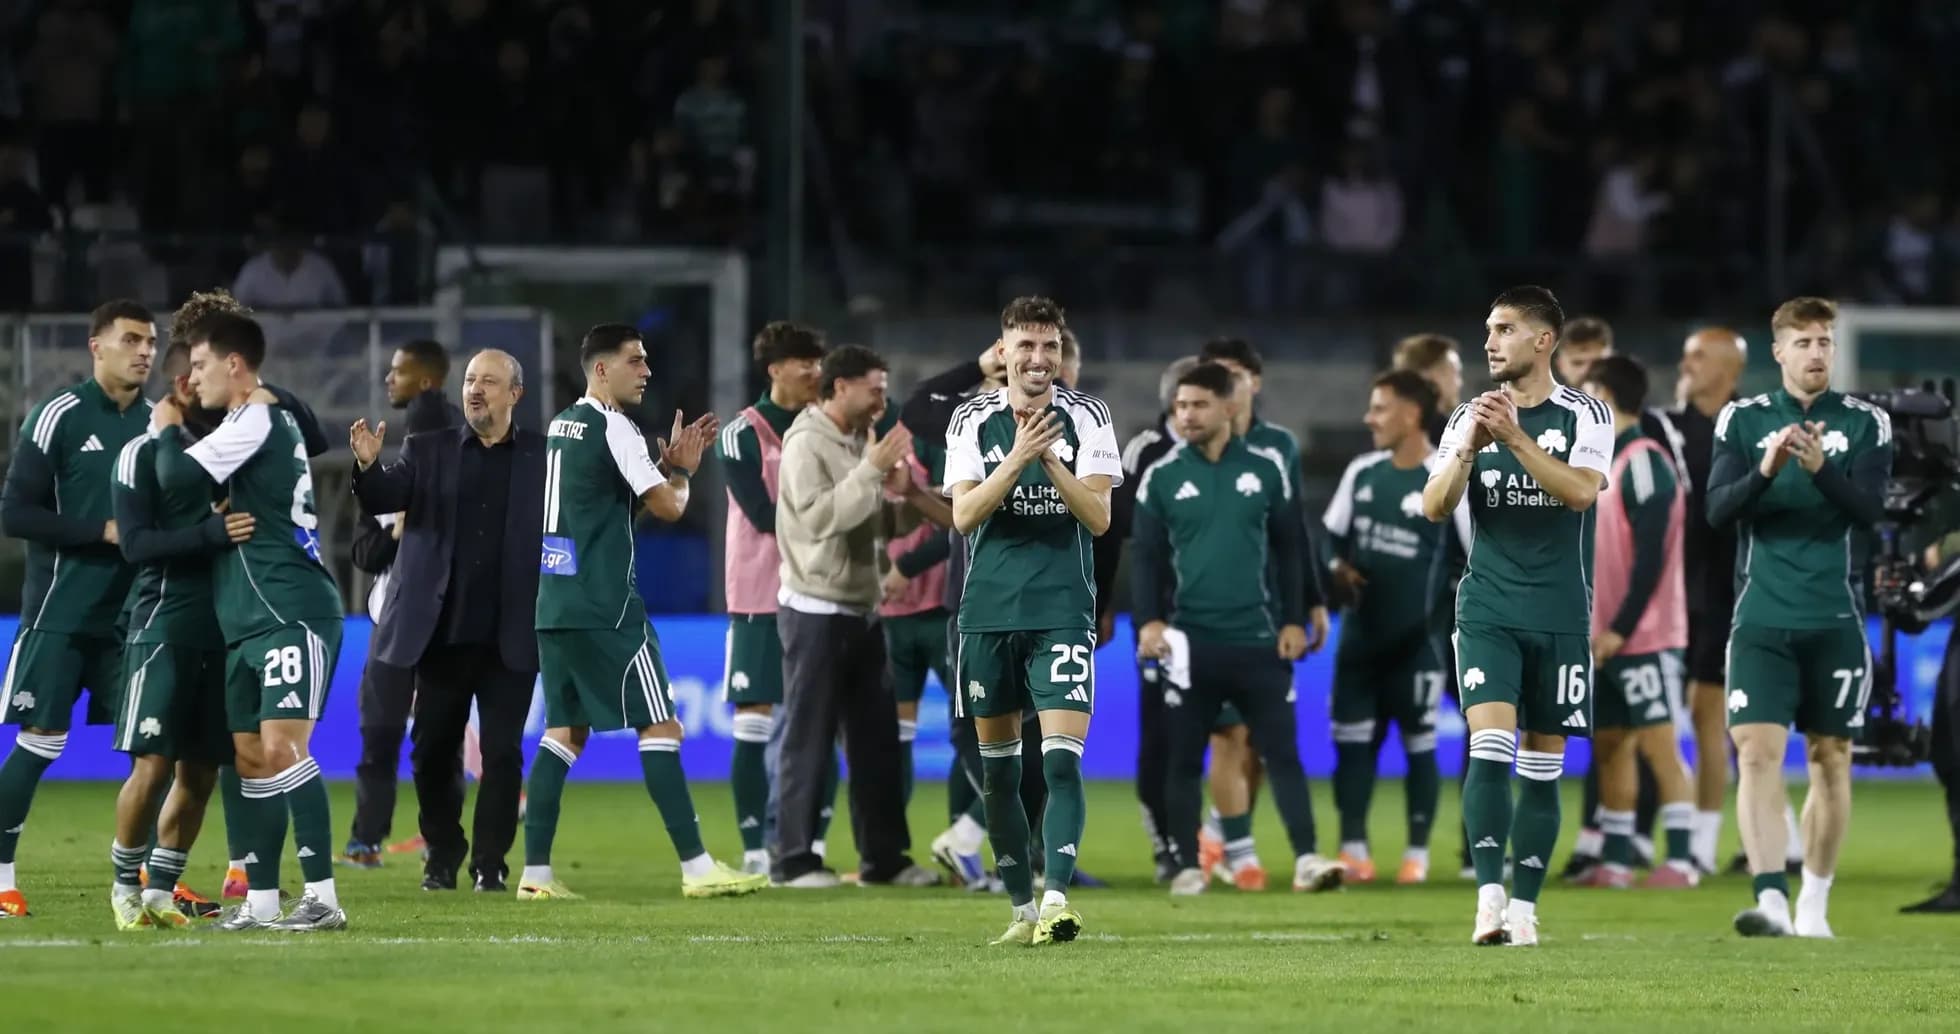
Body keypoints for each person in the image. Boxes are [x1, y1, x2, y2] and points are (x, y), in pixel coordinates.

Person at [515, 323, 762, 901]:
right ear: (601, 369)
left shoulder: (562, 426)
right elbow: (672, 508)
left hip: (555, 602)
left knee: (563, 732)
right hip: (607, 605)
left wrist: (661, 473)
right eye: (636, 360)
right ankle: (698, 869)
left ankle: (536, 875)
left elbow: (607, 512)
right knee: (662, 725)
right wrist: (682, 471)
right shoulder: (614, 426)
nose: (647, 370)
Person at [1422, 285, 1613, 947]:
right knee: (1490, 745)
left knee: (1542, 761)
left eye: (1503, 328)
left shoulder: (1586, 414)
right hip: (1487, 608)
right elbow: (1434, 504)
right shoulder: (1466, 417)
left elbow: (1581, 493)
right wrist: (1474, 443)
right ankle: (1488, 899)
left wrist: (1517, 439)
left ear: (1542, 340)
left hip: (1560, 611)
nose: (1489, 341)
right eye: (1488, 327)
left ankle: (1526, 910)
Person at [152, 311, 348, 932]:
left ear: (234, 365)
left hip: (291, 609)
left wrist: (166, 429)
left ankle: (322, 897)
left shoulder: (257, 416)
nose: (192, 376)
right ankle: (262, 899)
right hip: (247, 620)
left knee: (283, 748)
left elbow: (173, 476)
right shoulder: (246, 421)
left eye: (202, 364)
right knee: (248, 756)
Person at [1709, 297, 1892, 939]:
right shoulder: (1741, 420)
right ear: (1779, 352)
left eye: (1825, 342)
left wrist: (1821, 470)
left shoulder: (1867, 423)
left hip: (1835, 617)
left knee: (1831, 756)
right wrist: (1766, 470)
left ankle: (1814, 904)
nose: (1817, 353)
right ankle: (1771, 903)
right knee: (1757, 754)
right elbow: (1718, 511)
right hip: (1760, 618)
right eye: (1804, 342)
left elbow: (1871, 511)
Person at [945, 296, 1122, 946]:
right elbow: (965, 517)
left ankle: (1055, 899)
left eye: (1049, 346)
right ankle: (1020, 911)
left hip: (1061, 612)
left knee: (1060, 764)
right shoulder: (971, 419)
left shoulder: (1089, 415)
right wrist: (1017, 457)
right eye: (1026, 345)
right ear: (1004, 349)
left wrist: (1051, 460)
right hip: (988, 611)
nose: (1039, 358)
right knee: (998, 770)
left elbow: (1099, 518)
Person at [1132, 361, 1343, 896]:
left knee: (1283, 755)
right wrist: (1150, 621)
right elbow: (1147, 561)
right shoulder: (1161, 475)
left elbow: (1292, 551)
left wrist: (1294, 618)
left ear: (1230, 407)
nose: (1186, 415)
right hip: (1189, 644)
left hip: (1259, 640)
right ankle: (1186, 865)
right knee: (1182, 759)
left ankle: (1306, 859)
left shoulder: (1268, 468)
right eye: (1180, 406)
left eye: (1198, 404)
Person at [350, 349, 544, 893]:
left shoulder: (542, 456)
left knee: (504, 753)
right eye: (470, 381)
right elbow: (387, 493)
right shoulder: (425, 449)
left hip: (510, 636)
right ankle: (442, 852)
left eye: (489, 381)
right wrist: (368, 465)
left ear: (515, 394)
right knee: (433, 750)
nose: (475, 389)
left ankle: (490, 862)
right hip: (440, 634)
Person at [0, 299, 158, 919]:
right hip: (61, 613)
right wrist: (104, 531)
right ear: (97, 346)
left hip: (136, 621)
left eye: (150, 342)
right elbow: (14, 513)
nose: (144, 351)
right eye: (131, 340)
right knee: (41, 742)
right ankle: (2, 877)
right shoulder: (58, 416)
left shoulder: (156, 421)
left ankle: (145, 875)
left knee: (155, 749)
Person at [772, 344, 939, 889]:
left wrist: (906, 497)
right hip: (816, 610)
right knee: (809, 740)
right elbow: (820, 519)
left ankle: (884, 860)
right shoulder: (804, 443)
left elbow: (878, 526)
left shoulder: (851, 441)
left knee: (877, 744)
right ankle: (793, 860)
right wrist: (869, 471)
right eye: (875, 388)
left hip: (862, 609)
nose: (882, 401)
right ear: (840, 387)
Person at [106, 336, 259, 928]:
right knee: (152, 764)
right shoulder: (141, 454)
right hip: (162, 626)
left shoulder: (228, 452)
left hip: (222, 631)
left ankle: (161, 890)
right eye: (202, 373)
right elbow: (137, 546)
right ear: (183, 386)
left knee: (200, 772)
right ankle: (124, 887)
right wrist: (209, 536)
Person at [1187, 337, 1329, 883]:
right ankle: (1225, 842)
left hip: (1271, 611)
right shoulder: (1188, 447)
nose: (1227, 385)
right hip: (1208, 615)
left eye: (1235, 375)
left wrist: (1308, 602)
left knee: (1262, 741)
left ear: (1254, 383)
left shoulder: (1278, 447)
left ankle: (1221, 834)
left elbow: (1292, 534)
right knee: (1230, 735)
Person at [1323, 369, 1469, 885]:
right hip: (1360, 641)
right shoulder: (1362, 472)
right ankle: (1354, 848)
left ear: (1411, 415)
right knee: (1352, 745)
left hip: (1419, 644)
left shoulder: (1447, 475)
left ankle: (1417, 854)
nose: (1369, 418)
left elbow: (1471, 556)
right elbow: (1329, 539)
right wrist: (1336, 570)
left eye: (1380, 408)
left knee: (1420, 743)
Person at [1572, 355, 1700, 890]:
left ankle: (1684, 860)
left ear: (1603, 393)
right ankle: (1618, 861)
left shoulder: (1645, 461)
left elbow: (1652, 557)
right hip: (1604, 637)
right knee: (1610, 745)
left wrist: (1621, 627)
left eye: (1582, 393)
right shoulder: (1600, 464)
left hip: (1644, 637)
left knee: (1658, 746)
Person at [1670, 327, 1790, 876]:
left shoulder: (1750, 426)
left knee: (1717, 713)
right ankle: (1779, 840)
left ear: (1731, 371)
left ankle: (1702, 841)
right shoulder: (1670, 428)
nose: (1687, 363)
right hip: (1683, 592)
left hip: (1738, 590)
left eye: (1700, 356)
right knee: (1727, 719)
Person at [343, 339, 463, 870]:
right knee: (381, 732)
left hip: (438, 619)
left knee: (437, 737)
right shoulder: (391, 472)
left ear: (427, 382)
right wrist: (397, 531)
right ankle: (366, 839)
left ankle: (441, 844)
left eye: (399, 371)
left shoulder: (446, 448)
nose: (388, 379)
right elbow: (365, 552)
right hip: (389, 619)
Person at [716, 321, 826, 875]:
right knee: (754, 721)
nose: (814, 371)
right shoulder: (742, 433)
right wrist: (833, 516)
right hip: (760, 595)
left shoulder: (829, 426)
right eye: (803, 361)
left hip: (820, 593)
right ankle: (756, 851)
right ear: (774, 369)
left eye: (818, 361)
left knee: (819, 721)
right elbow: (760, 515)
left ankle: (809, 847)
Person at [1113, 355, 1201, 882]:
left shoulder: (1237, 453)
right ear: (1174, 402)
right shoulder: (1145, 452)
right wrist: (1114, 607)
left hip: (1227, 619)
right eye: (1189, 401)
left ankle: (1223, 842)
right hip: (1161, 618)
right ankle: (1167, 843)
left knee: (1238, 736)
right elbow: (1117, 534)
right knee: (1162, 736)